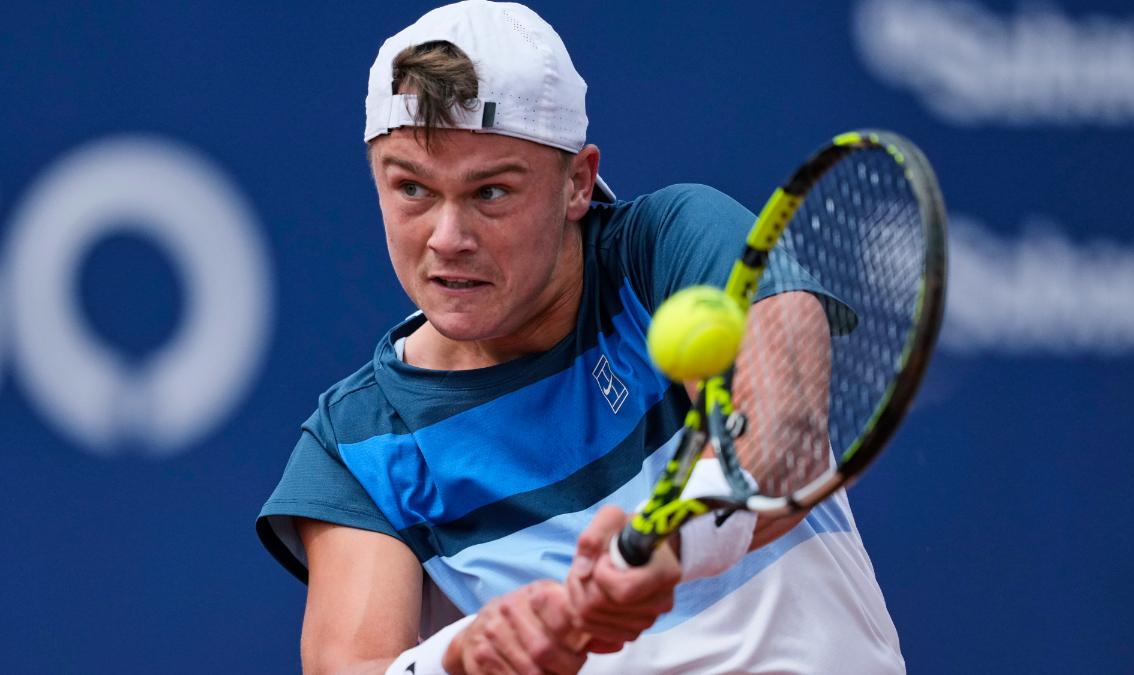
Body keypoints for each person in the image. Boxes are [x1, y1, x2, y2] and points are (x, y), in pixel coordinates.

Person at [257, 1, 905, 673]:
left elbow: (783, 437)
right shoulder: (357, 442)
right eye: (412, 189)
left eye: (492, 193)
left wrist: (674, 544)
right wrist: (460, 656)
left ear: (577, 182)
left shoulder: (671, 246)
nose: (447, 239)